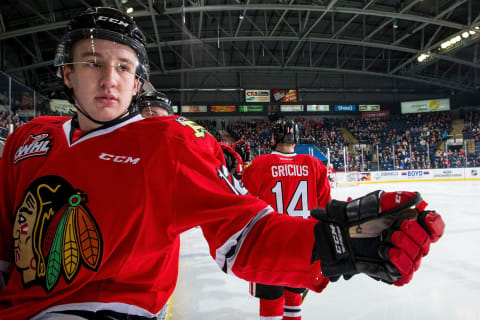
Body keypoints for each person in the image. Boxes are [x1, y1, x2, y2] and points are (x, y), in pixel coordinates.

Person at [0, 7, 445, 320]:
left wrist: (341, 241)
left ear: (138, 83)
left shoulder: (169, 142)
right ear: (66, 72)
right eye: (93, 63)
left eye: (124, 67)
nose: (109, 79)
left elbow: (246, 234)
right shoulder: (27, 138)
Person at [242, 120, 331, 320]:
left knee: (271, 305)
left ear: (273, 139)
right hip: (303, 246)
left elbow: (243, 201)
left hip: (269, 246)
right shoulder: (314, 165)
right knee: (293, 303)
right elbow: (326, 209)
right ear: (296, 139)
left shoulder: (260, 164)